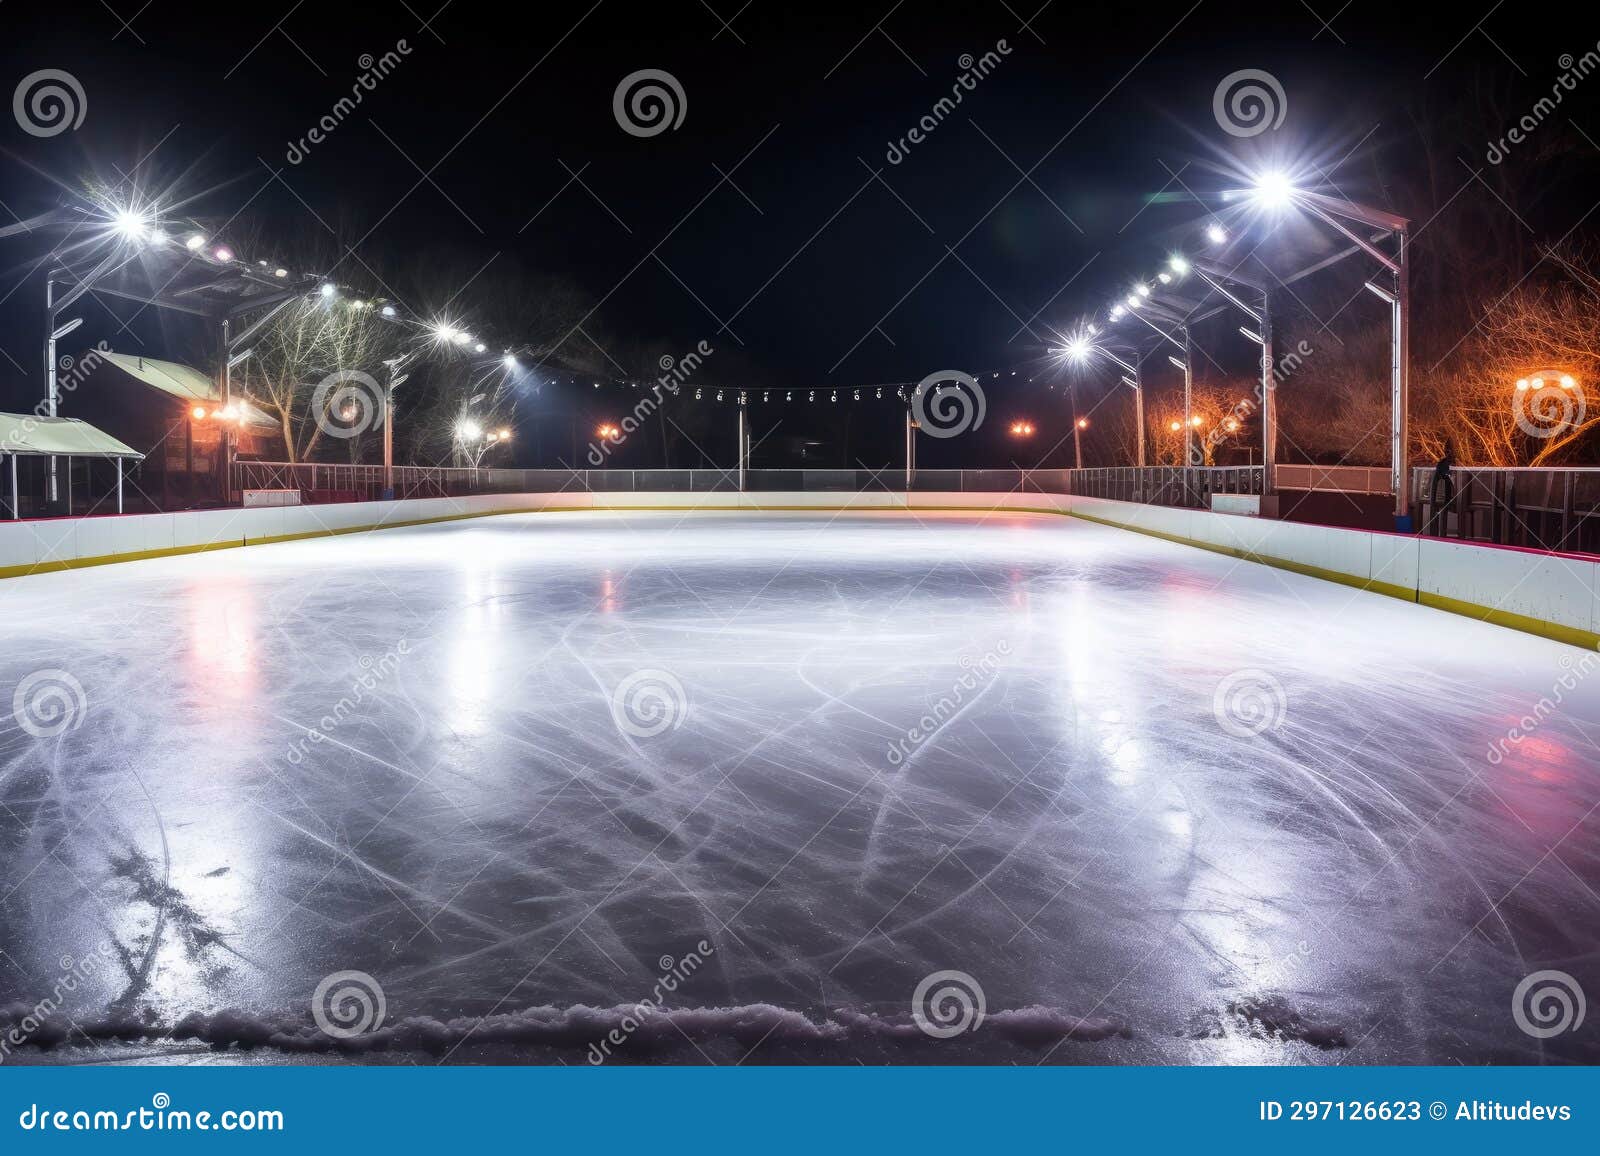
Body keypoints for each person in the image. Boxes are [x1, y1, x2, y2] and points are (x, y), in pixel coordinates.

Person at [1429, 440, 1456, 533]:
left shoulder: (1445, 463)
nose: (1448, 453)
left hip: (1451, 497)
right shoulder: (1443, 463)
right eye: (1447, 451)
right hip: (1446, 497)